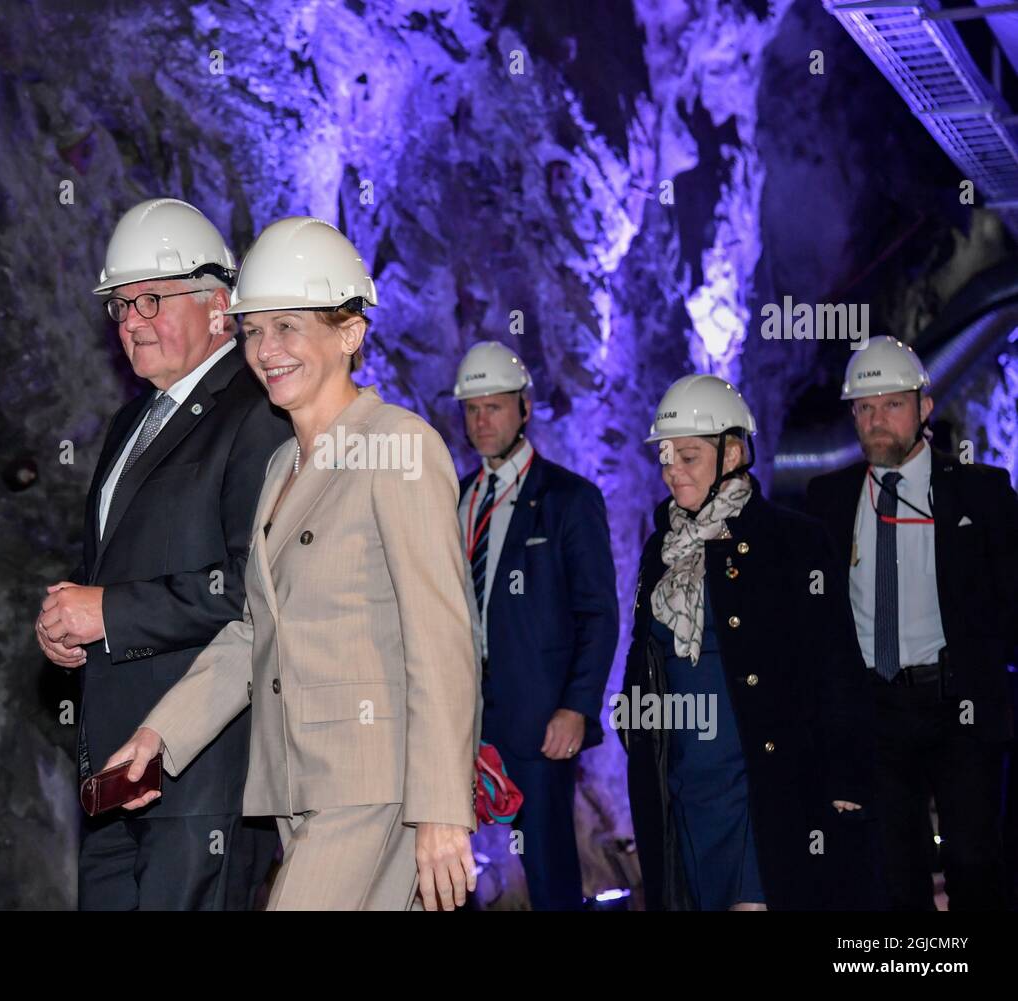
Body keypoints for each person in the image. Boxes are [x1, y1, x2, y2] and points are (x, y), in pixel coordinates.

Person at [102, 216, 482, 910]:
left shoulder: (398, 445)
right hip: (298, 786)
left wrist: (441, 810)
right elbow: (253, 628)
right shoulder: (281, 466)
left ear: (349, 333)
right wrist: (163, 732)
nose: (265, 349)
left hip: (375, 789)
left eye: (288, 326)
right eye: (252, 330)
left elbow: (441, 638)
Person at [34, 198, 290, 910]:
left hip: (202, 766)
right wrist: (71, 628)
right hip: (115, 768)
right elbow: (115, 575)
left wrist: (109, 612)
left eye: (152, 298)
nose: (131, 321)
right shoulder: (127, 425)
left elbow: (255, 590)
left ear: (218, 304)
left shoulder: (258, 413)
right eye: (119, 305)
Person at [620, 374, 877, 910]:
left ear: (733, 452)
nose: (671, 471)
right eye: (665, 457)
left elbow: (835, 663)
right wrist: (635, 727)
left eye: (688, 456)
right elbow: (644, 660)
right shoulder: (659, 550)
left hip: (760, 783)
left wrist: (845, 773)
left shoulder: (794, 541)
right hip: (684, 787)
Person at [806, 335, 1018, 910]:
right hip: (875, 711)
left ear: (924, 408)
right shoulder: (826, 501)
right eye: (864, 407)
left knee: (975, 862)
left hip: (960, 705)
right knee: (894, 874)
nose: (876, 419)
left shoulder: (982, 491)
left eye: (891, 404)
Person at [453, 341, 618, 911]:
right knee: (450, 860)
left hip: (540, 720)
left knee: (548, 868)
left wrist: (576, 707)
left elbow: (598, 613)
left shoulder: (569, 499)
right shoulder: (459, 498)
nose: (482, 421)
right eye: (472, 410)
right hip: (464, 717)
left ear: (524, 408)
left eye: (494, 407)